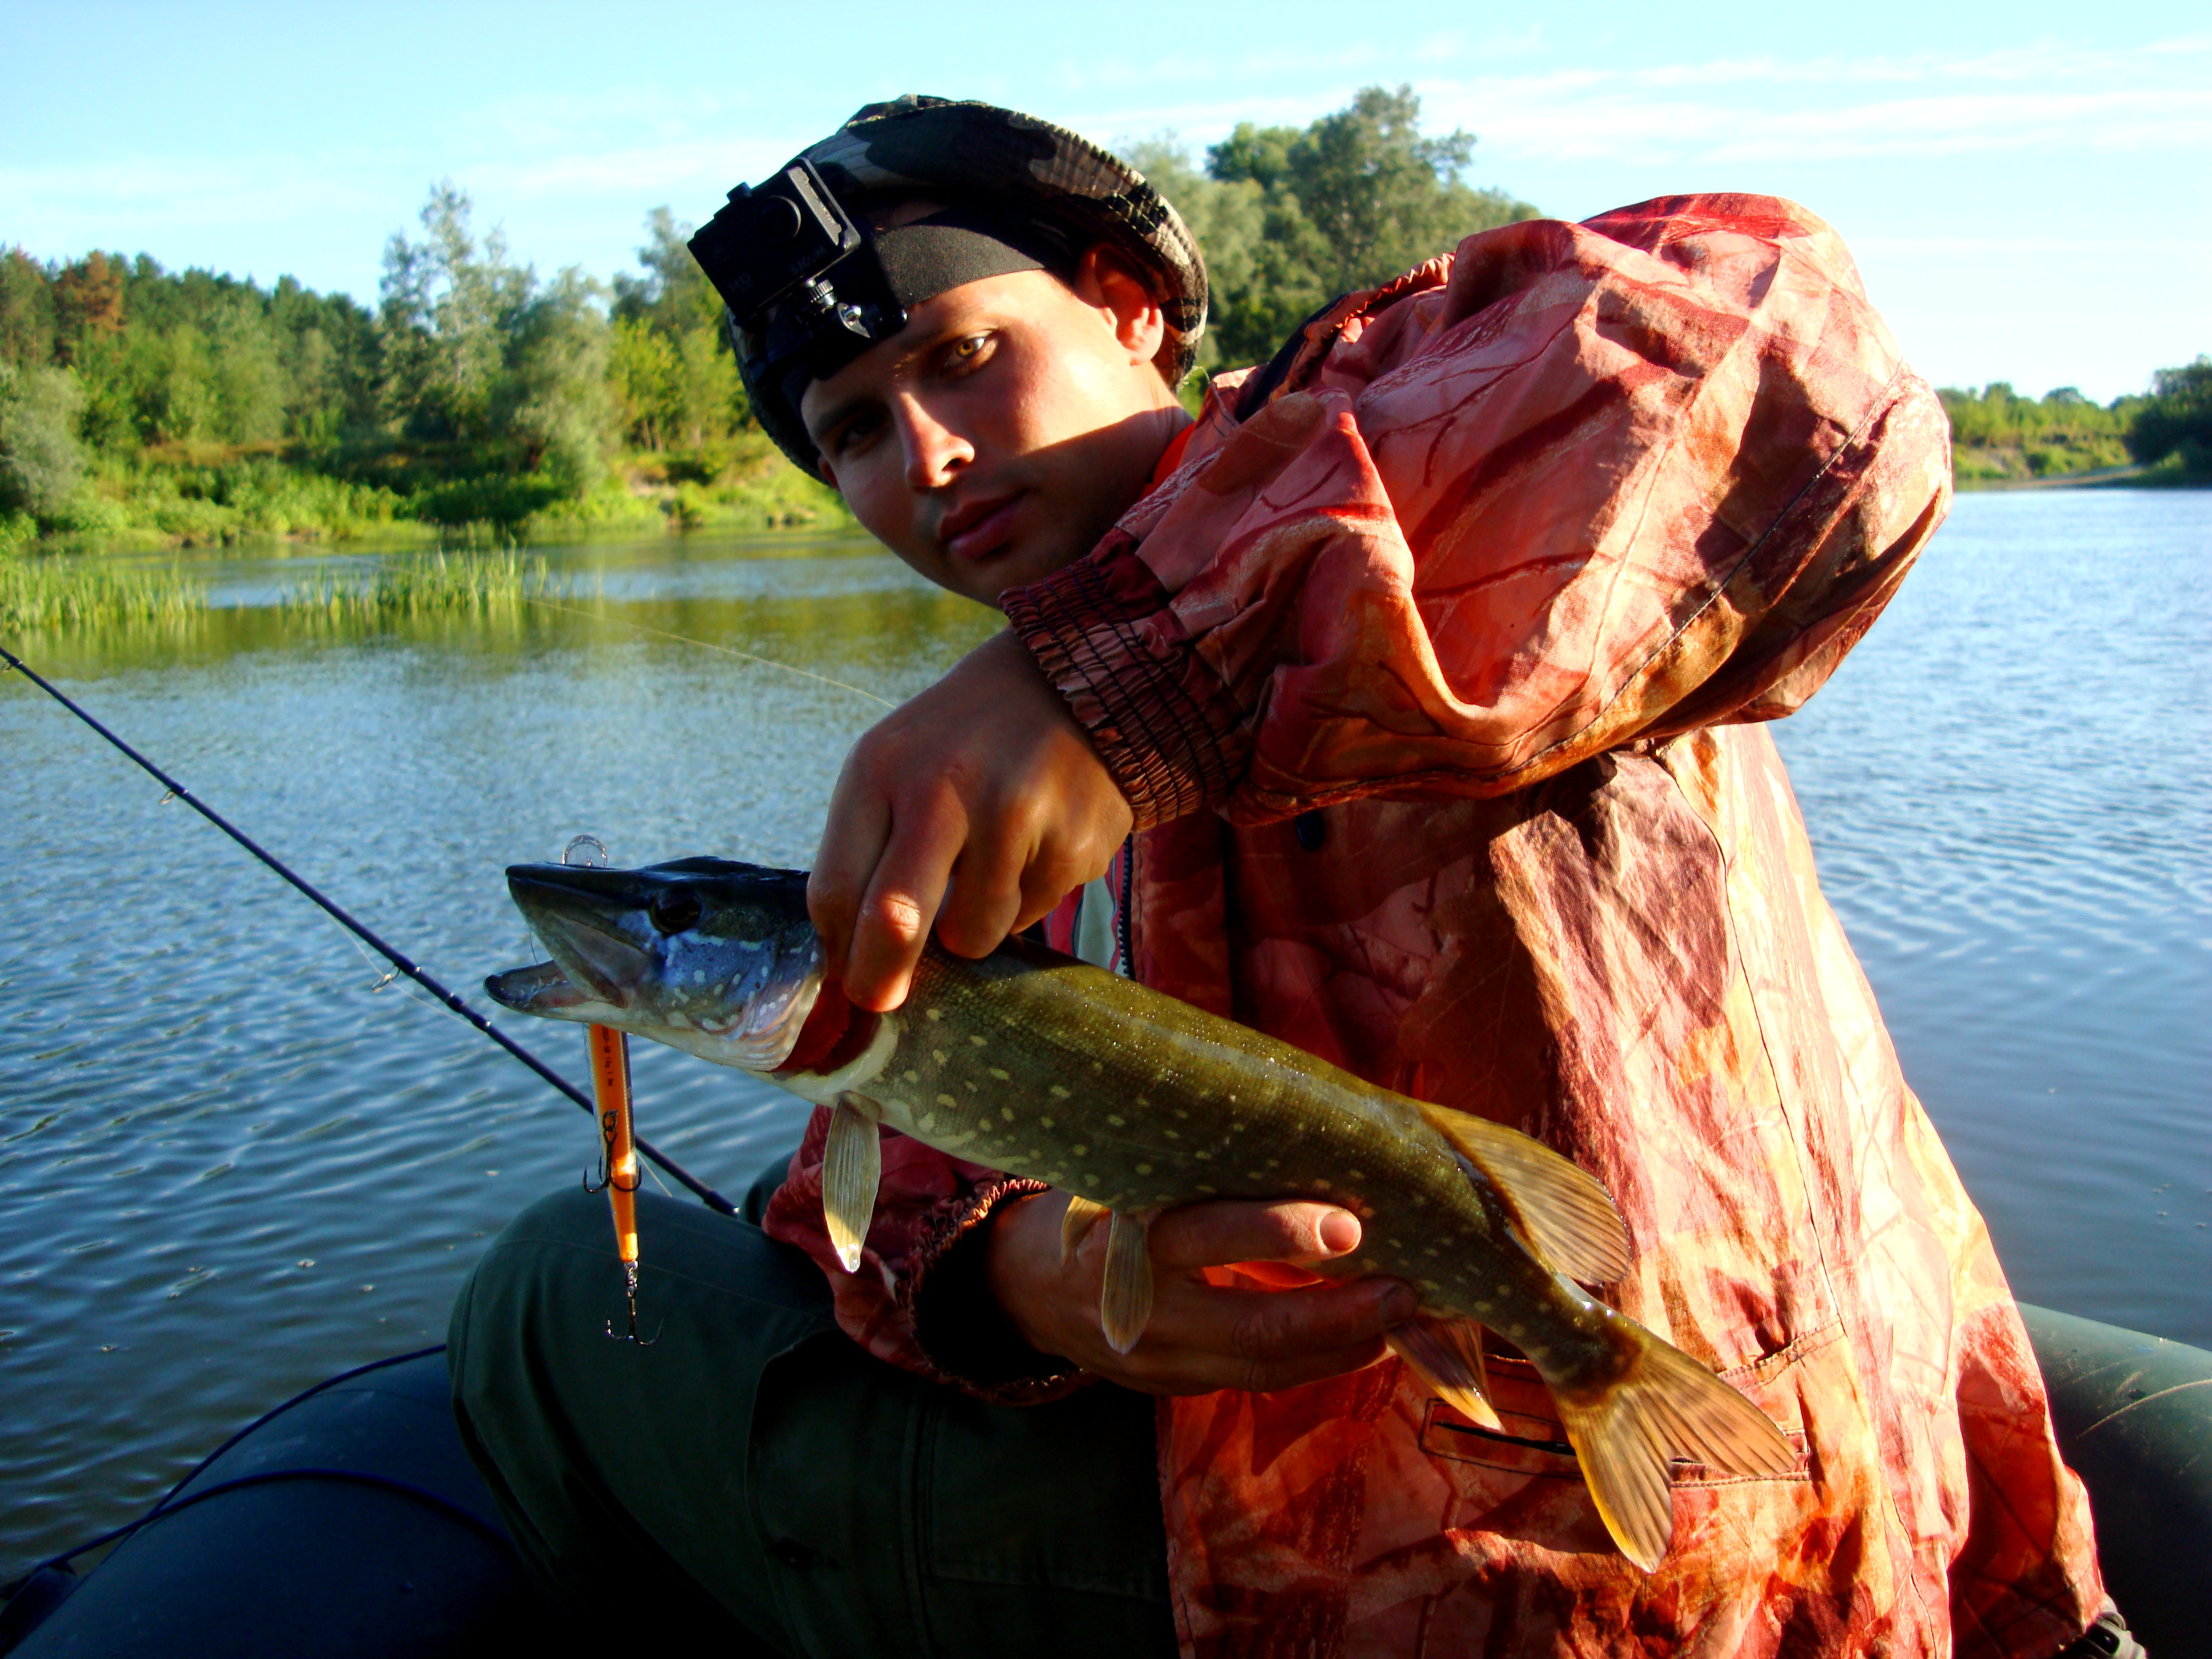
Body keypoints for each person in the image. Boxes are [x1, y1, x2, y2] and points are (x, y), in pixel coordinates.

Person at [448, 96, 2120, 1657]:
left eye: (965, 358)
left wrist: (1138, 675)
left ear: (1130, 308)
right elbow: (863, 1180)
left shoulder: (1414, 465)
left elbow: (1792, 341)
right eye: (856, 434)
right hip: (1308, 1550)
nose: (933, 458)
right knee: (591, 1267)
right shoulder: (978, 803)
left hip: (1651, 1562)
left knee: (542, 1304)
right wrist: (1017, 1285)